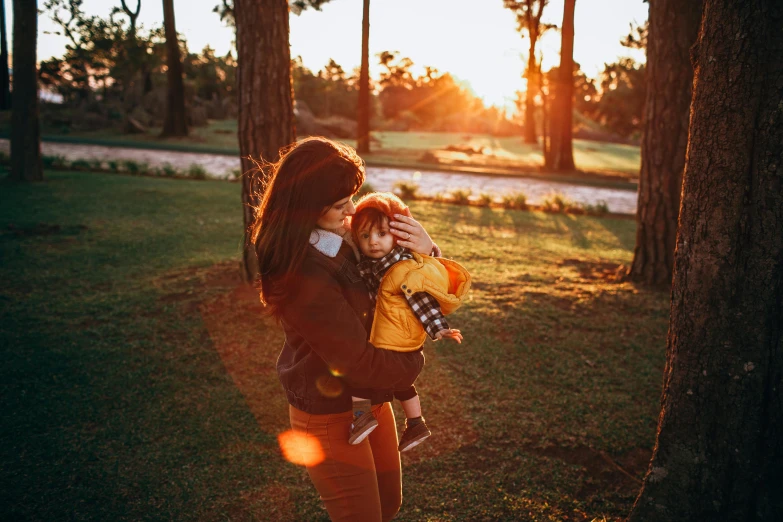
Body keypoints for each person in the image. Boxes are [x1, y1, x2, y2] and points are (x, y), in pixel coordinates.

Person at [250, 137, 438, 522]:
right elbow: (356, 361)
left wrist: (428, 250)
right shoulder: (303, 270)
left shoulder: (343, 240)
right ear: (306, 208)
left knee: (388, 505)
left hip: (370, 400)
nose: (352, 210)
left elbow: (405, 278)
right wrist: (411, 363)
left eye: (352, 198)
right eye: (340, 204)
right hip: (329, 413)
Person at [346, 192, 471, 453]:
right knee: (404, 386)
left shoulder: (401, 267)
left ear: (397, 235)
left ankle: (361, 418)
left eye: (381, 234)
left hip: (391, 347)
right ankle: (416, 423)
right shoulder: (374, 264)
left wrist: (439, 328)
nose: (374, 242)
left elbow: (420, 301)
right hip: (406, 351)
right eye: (365, 236)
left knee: (357, 378)